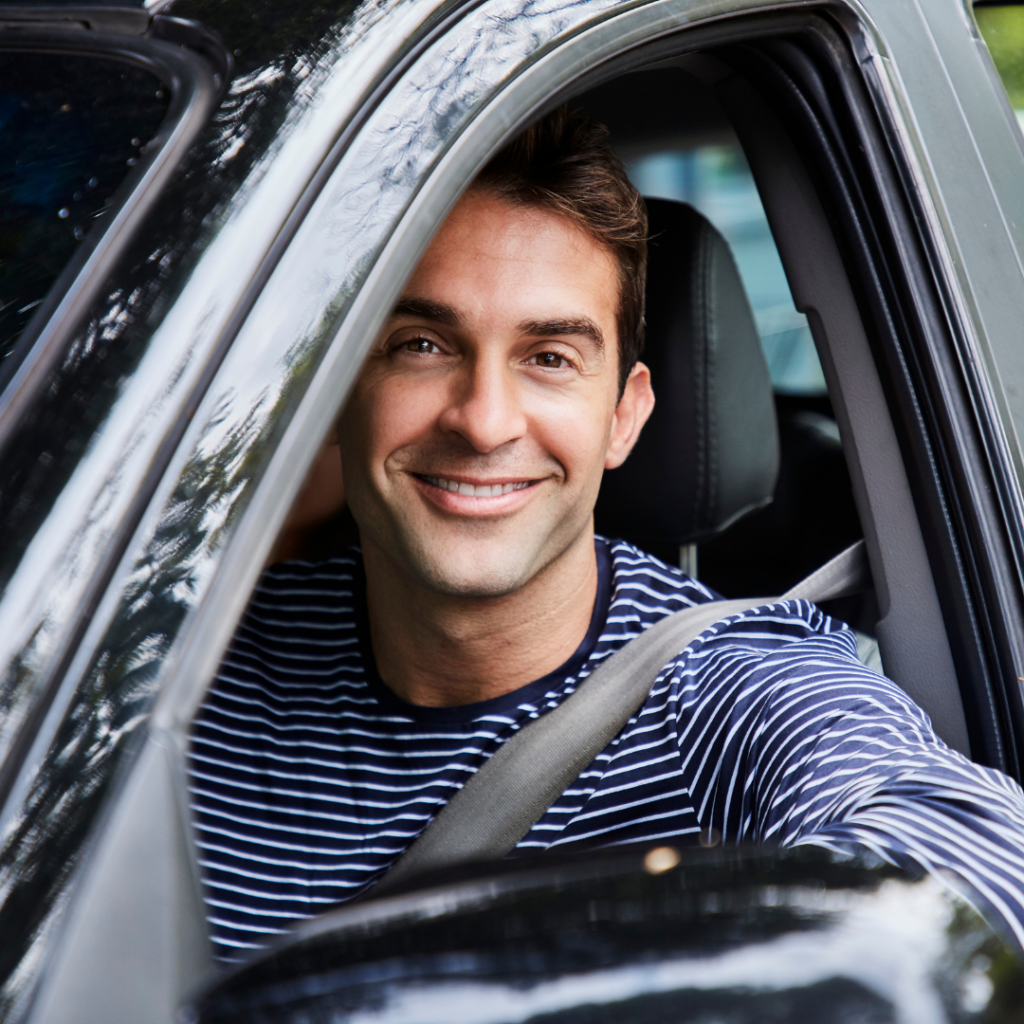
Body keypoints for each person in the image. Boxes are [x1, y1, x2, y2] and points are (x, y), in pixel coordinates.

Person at [188, 107, 1024, 961]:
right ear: (337, 390)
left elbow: (980, 865)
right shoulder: (187, 657)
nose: (483, 421)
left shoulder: (730, 688)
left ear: (624, 416)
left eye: (549, 356)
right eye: (423, 344)